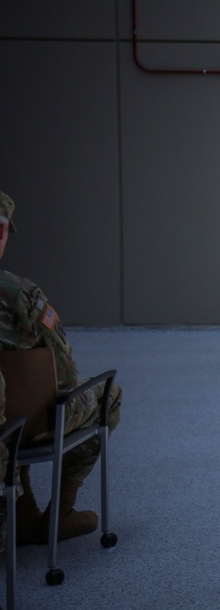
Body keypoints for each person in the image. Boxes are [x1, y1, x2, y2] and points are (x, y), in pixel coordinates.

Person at [0, 190, 123, 545]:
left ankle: (22, 512)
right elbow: (63, 375)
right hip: (28, 423)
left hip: (3, 427)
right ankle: (62, 513)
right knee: (107, 396)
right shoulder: (21, 295)